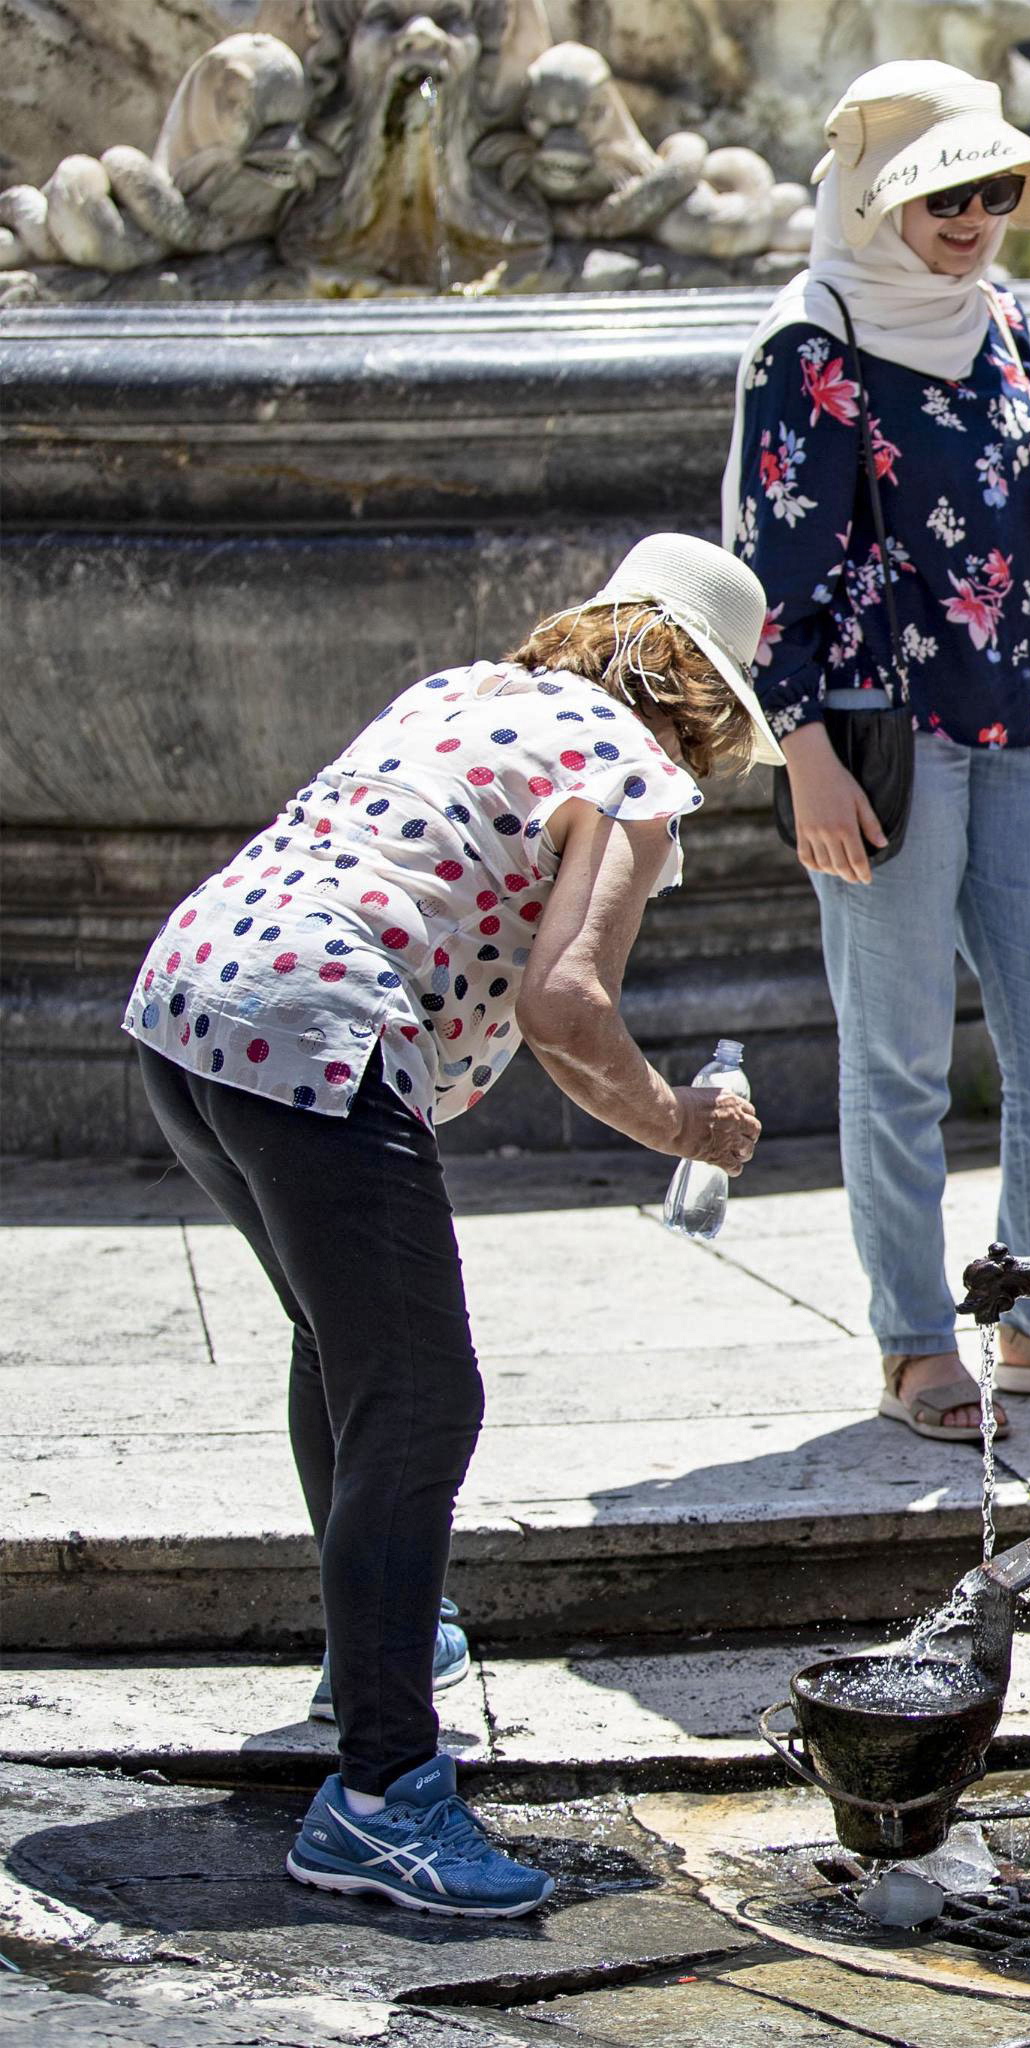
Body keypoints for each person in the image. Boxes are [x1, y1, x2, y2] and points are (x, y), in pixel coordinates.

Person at [125, 535, 774, 1915]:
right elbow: (568, 1008)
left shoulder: (462, 693)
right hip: (316, 1031)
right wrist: (681, 1126)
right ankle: (379, 1797)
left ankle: (387, 1658)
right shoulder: (633, 772)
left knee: (344, 1356)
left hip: (185, 1005)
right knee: (422, 1397)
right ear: (705, 703)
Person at [727, 61, 1030, 1438]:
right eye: (944, 192)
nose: (974, 216)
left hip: (1019, 712)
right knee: (896, 1059)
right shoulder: (812, 339)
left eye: (995, 190)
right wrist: (803, 757)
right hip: (879, 737)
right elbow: (770, 566)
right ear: (877, 195)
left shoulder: (997, 315)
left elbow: (1011, 499)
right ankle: (912, 1341)